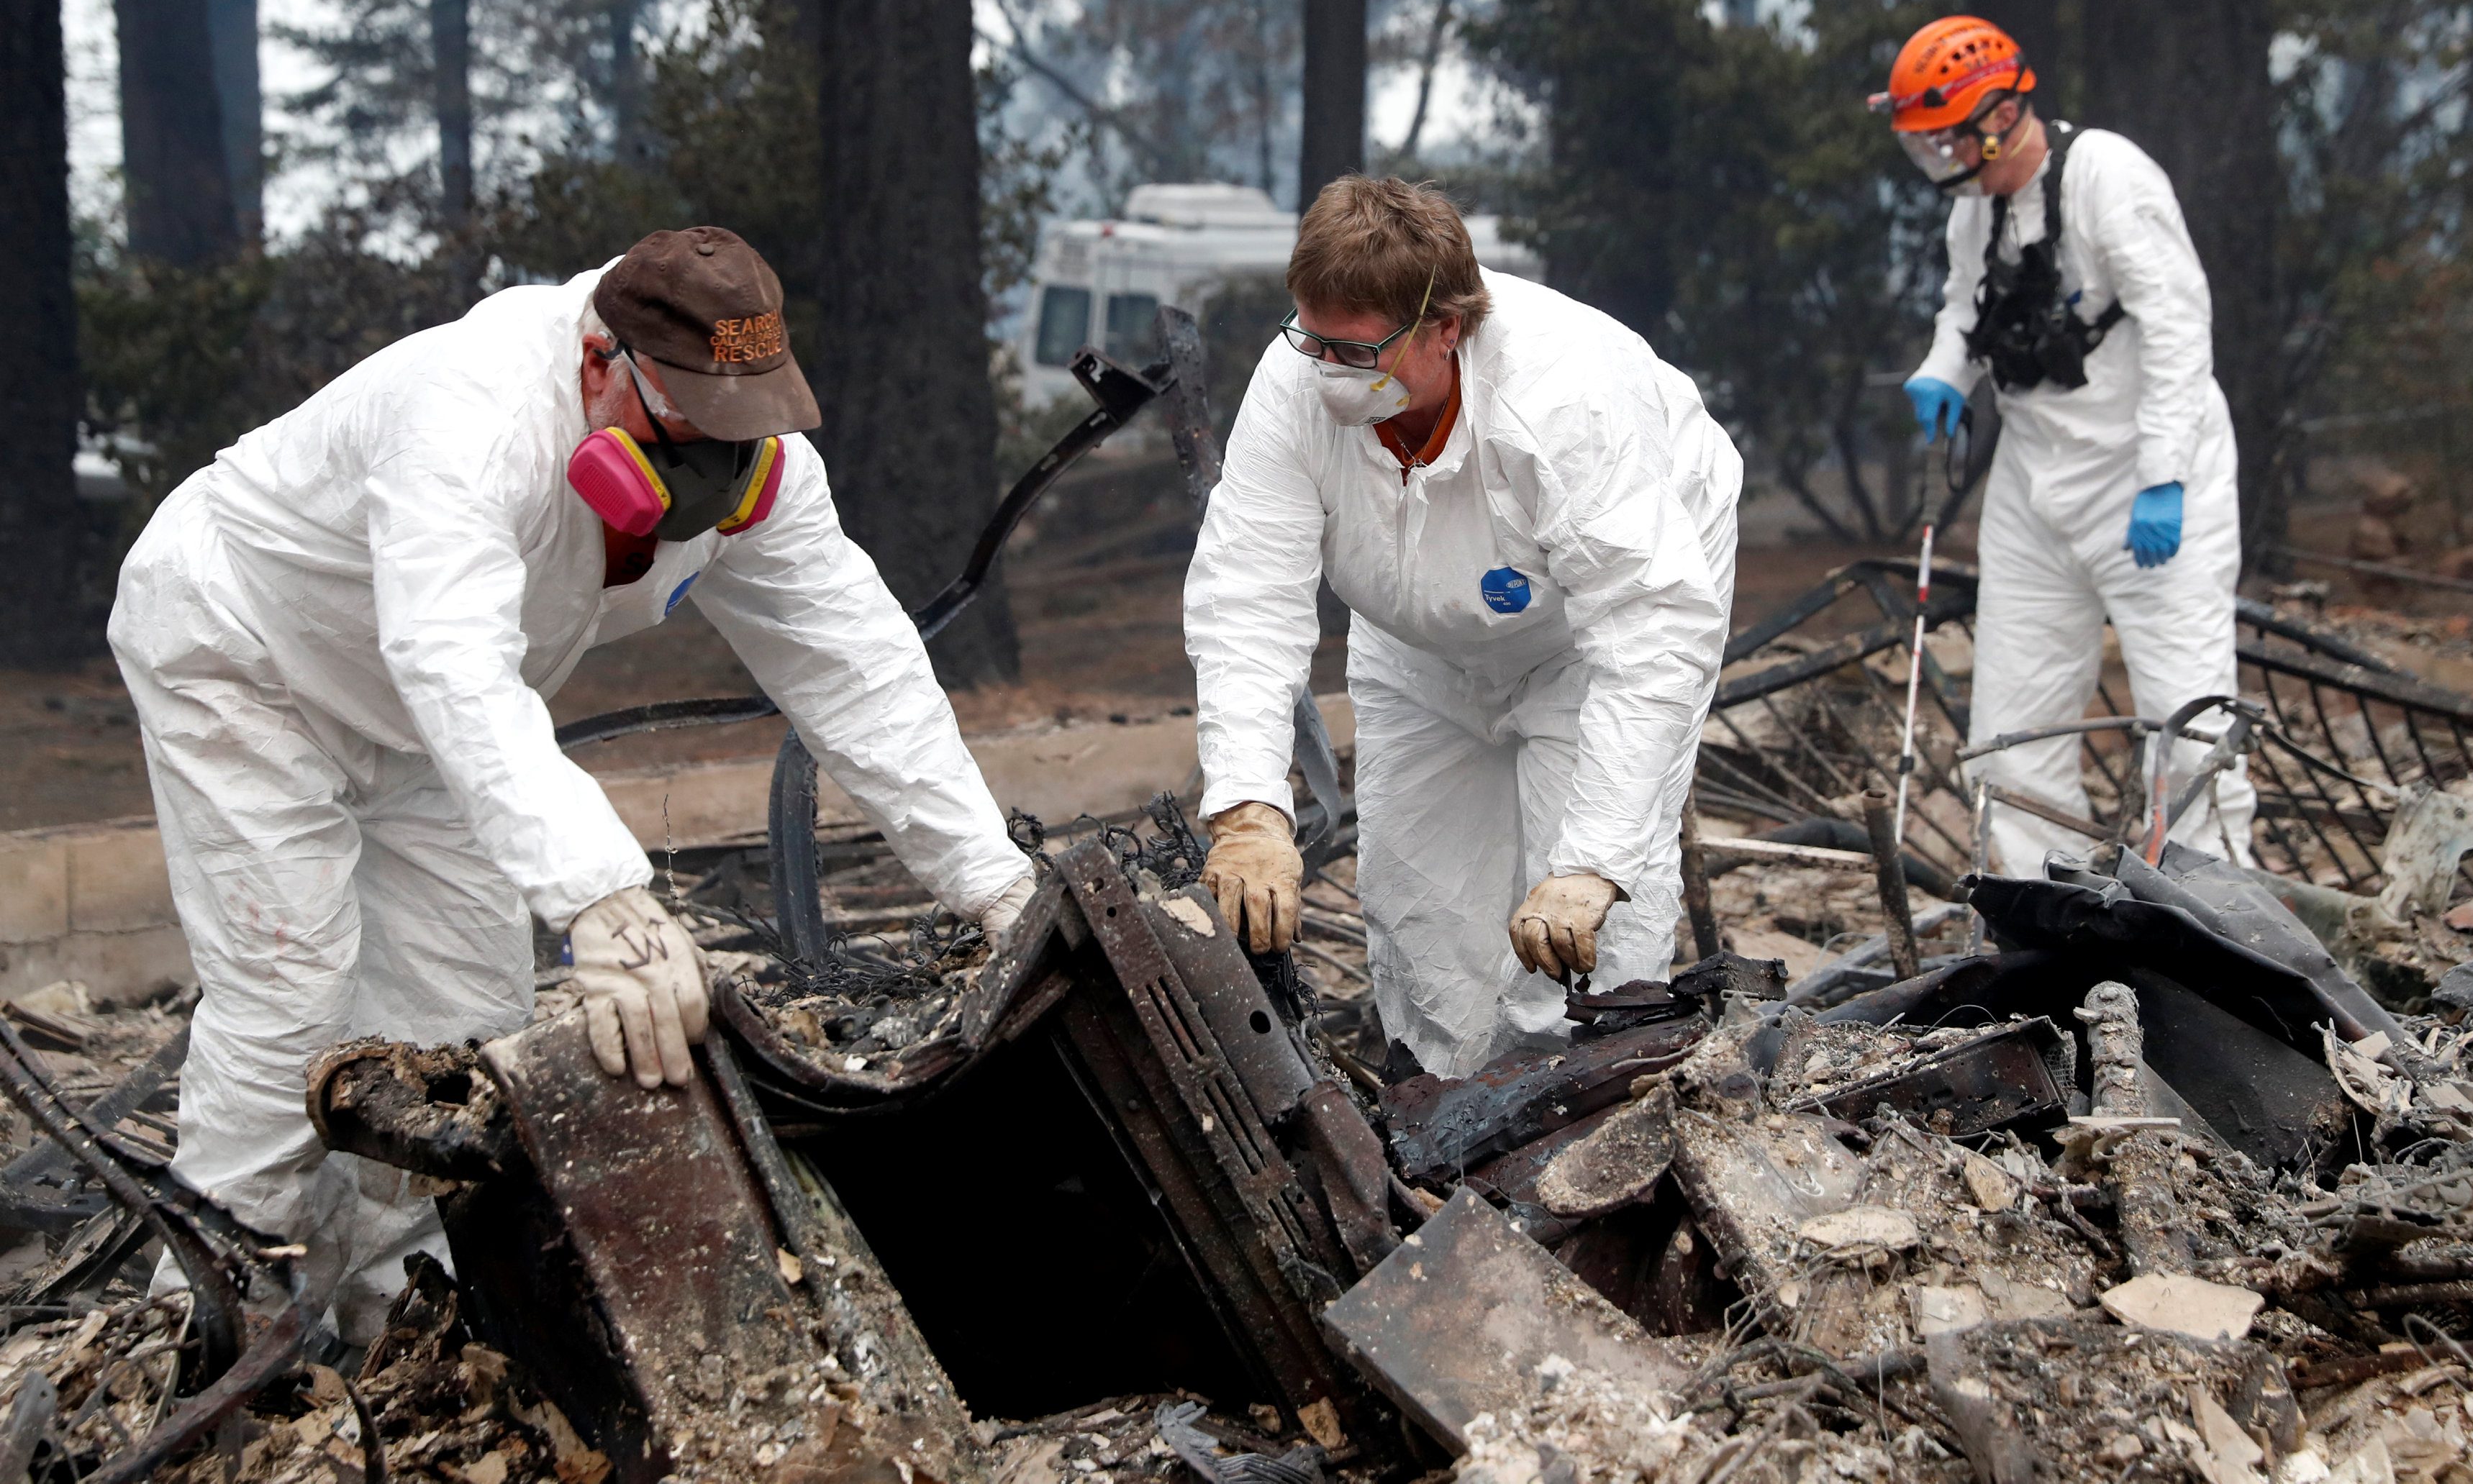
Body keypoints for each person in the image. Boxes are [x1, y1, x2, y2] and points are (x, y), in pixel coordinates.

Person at [109, 227, 1035, 1339]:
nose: (719, 463)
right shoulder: (474, 416)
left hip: (429, 727)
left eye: (743, 426)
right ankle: (212, 1335)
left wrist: (992, 881)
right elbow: (450, 658)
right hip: (248, 653)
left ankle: (394, 1324)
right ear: (601, 362)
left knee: (458, 1029)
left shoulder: (768, 467)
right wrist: (602, 894)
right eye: (689, 425)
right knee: (291, 995)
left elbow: (856, 666)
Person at [1185, 178, 1741, 1080]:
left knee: (1584, 933)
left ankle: (1584, 1117)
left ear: (1445, 327)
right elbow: (1248, 591)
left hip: (1586, 643)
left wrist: (1592, 861)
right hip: (1417, 645)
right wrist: (1248, 805)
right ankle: (1441, 1114)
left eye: (1357, 351)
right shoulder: (1292, 384)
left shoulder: (1562, 397)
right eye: (1314, 340)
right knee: (1422, 914)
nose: (1329, 373)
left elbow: (1647, 631)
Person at [1877, 15, 2255, 876]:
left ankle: (2214, 908)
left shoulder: (2108, 177)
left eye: (1945, 139)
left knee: (2185, 720)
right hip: (2034, 479)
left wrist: (2163, 477)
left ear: (2001, 115)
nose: (1938, 160)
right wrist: (1943, 371)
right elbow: (1964, 305)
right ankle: (2042, 903)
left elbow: (2177, 327)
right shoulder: (1974, 210)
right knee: (2012, 725)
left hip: (2145, 476)